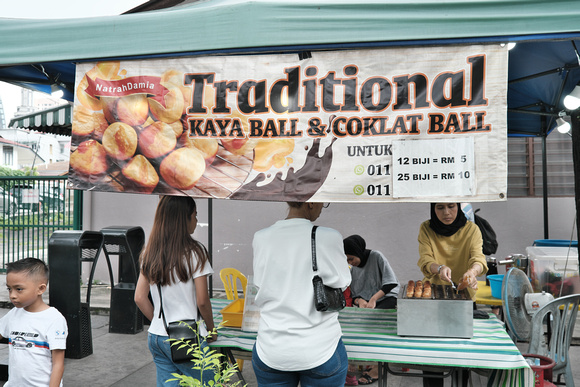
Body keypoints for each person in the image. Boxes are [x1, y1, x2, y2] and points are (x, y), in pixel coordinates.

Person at [252, 202, 351, 387]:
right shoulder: (329, 236)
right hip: (320, 348)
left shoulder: (261, 237)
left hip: (271, 348)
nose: (323, 207)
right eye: (324, 202)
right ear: (311, 203)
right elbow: (343, 281)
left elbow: (260, 283)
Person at [135, 195, 216, 386]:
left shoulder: (150, 251)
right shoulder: (196, 251)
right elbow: (202, 301)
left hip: (156, 337)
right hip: (186, 338)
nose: (196, 220)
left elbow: (139, 297)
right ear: (184, 218)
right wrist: (212, 330)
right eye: (195, 215)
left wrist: (158, 321)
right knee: (212, 382)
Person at [417, 202, 488, 387]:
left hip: (464, 299)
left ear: (458, 206)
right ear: (433, 209)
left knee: (462, 356)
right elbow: (425, 259)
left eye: (451, 206)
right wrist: (439, 268)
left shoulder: (471, 229)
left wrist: (472, 273)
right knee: (432, 357)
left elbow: (478, 258)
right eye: (440, 208)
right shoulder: (426, 228)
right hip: (434, 298)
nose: (446, 213)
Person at [0, 258, 67, 387]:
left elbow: (58, 364)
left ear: (40, 289)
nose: (12, 295)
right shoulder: (14, 314)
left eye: (19, 289)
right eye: (9, 289)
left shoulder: (54, 319)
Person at [343, 235, 400, 385]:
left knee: (376, 325)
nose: (350, 263)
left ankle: (376, 369)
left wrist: (373, 299)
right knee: (360, 327)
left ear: (359, 252)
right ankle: (370, 362)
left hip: (385, 297)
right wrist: (360, 301)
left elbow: (391, 283)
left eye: (351, 258)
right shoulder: (352, 267)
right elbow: (354, 293)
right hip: (367, 302)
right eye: (347, 260)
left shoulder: (376, 256)